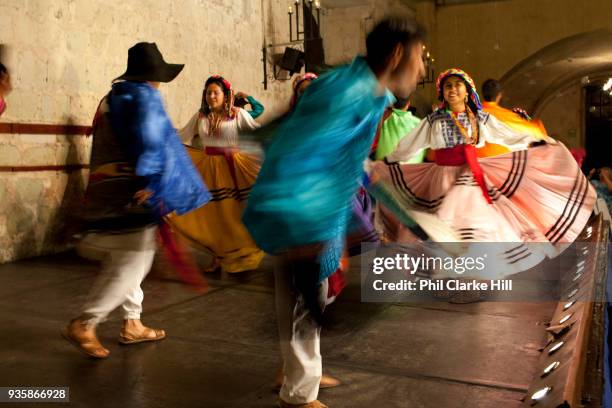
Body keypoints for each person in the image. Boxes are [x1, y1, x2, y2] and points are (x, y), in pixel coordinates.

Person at [243, 18, 427, 408]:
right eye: (420, 58)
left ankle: (295, 372)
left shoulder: (361, 89)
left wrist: (404, 215)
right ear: (397, 54)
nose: (423, 69)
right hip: (301, 213)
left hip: (314, 211)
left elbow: (340, 157)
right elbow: (300, 156)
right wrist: (301, 232)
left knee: (310, 298)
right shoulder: (350, 94)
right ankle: (298, 394)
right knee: (305, 299)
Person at [371, 68, 596, 278]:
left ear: (467, 91)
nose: (452, 90)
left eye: (458, 85)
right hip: (442, 177)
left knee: (474, 225)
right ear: (442, 92)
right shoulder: (433, 121)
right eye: (448, 86)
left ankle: (473, 273)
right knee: (443, 227)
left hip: (471, 177)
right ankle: (451, 273)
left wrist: (536, 140)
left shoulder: (479, 119)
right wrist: (389, 162)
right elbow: (411, 145)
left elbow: (507, 135)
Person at [63, 42, 210, 359]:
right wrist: (158, 184)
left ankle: (132, 322)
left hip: (106, 190)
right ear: (152, 76)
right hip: (131, 192)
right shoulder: (140, 97)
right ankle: (86, 322)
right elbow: (153, 141)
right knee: (136, 260)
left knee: (126, 258)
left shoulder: (111, 98)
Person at [168, 75, 264, 273]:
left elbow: (260, 136)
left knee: (234, 214)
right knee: (213, 216)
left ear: (226, 95)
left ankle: (243, 253)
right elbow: (182, 136)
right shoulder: (201, 116)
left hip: (235, 168)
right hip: (209, 170)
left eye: (216, 92)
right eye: (208, 92)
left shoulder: (238, 115)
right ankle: (217, 257)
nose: (211, 96)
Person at [479, 78, 548, 157]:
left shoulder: (472, 112)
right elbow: (535, 132)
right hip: (500, 160)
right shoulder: (507, 115)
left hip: (475, 159)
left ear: (483, 93)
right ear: (499, 95)